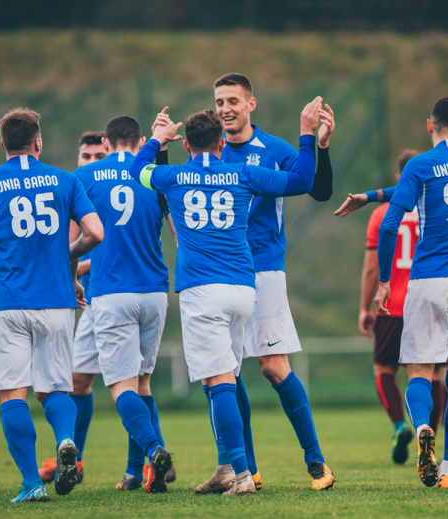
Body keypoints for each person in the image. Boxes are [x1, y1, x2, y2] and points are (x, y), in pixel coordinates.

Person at [129, 99, 335, 495]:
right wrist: (307, 136)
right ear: (221, 144)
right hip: (244, 289)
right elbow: (301, 181)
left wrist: (156, 140)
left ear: (187, 146)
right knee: (228, 378)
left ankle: (242, 475)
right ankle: (232, 469)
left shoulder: (171, 177)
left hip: (202, 290)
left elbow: (137, 170)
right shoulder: (244, 174)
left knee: (219, 380)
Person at [0, 108, 104, 503]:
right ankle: (67, 441)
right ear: (39, 141)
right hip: (55, 303)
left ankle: (31, 483)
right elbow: (95, 233)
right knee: (55, 388)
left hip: (7, 304)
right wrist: (66, 256)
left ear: (2, 144)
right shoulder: (65, 180)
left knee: (11, 393)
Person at [373, 97, 448, 489]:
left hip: (429, 281)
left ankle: (423, 427)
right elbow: (430, 186)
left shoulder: (420, 164)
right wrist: (372, 195)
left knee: (419, 372)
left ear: (429, 126)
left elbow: (391, 224)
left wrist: (385, 281)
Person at [72, 116, 177, 494]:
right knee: (143, 382)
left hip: (111, 292)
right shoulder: (154, 175)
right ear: (141, 141)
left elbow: (73, 240)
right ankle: (136, 473)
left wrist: (71, 277)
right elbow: (179, 233)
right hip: (154, 291)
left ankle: (154, 450)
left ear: (106, 140)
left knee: (120, 386)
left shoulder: (84, 177)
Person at [354, 149, 446, 464]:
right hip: (431, 301)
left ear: (399, 178)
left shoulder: (381, 214)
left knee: (385, 370)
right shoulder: (436, 208)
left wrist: (364, 308)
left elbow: (369, 268)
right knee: (432, 375)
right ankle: (428, 439)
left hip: (391, 305)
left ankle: (398, 426)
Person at [38, 131, 106, 485]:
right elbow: (68, 247)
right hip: (90, 299)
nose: (92, 162)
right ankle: (73, 459)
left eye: (99, 155)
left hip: (116, 295)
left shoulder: (110, 190)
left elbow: (119, 248)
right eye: (86, 156)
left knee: (135, 384)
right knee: (78, 381)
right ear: (77, 159)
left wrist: (76, 268)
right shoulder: (70, 192)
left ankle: (143, 461)